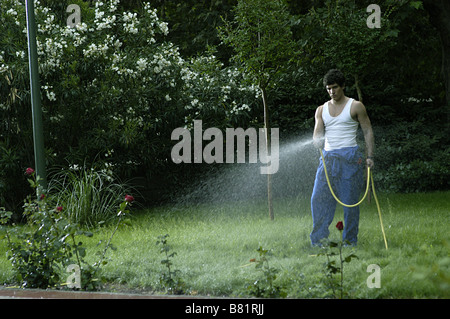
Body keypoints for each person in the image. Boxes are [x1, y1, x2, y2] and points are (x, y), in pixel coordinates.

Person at [310, 69, 374, 246]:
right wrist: (316, 140)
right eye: (328, 88)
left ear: (343, 86)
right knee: (318, 199)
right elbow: (317, 133)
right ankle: (319, 240)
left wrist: (370, 156)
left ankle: (349, 241)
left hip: (350, 159)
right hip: (328, 160)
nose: (332, 92)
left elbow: (367, 131)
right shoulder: (321, 110)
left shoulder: (355, 106)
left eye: (335, 87)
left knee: (350, 204)